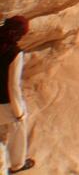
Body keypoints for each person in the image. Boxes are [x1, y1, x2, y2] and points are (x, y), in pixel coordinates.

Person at [0, 16, 34, 173]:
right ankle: (18, 164)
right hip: (5, 103)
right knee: (18, 125)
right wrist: (19, 112)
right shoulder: (14, 53)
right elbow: (13, 85)